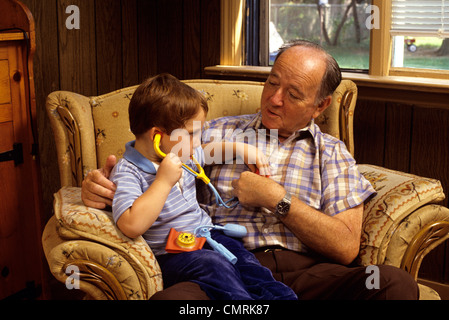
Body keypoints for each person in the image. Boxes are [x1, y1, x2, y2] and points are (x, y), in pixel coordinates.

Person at [82, 40, 419, 300]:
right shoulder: (218, 130)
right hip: (221, 264)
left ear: (321, 106)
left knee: (394, 284)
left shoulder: (332, 153)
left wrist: (278, 200)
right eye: (272, 83)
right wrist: (99, 183)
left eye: (294, 94)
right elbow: (153, 148)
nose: (274, 99)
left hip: (307, 275)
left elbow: (346, 247)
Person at [108, 73, 297, 300]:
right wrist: (162, 182)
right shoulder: (127, 171)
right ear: (157, 136)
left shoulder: (181, 152)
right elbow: (131, 225)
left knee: (249, 265)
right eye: (191, 134)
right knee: (215, 267)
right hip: (172, 254)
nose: (198, 141)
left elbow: (209, 150)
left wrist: (241, 149)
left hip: (208, 237)